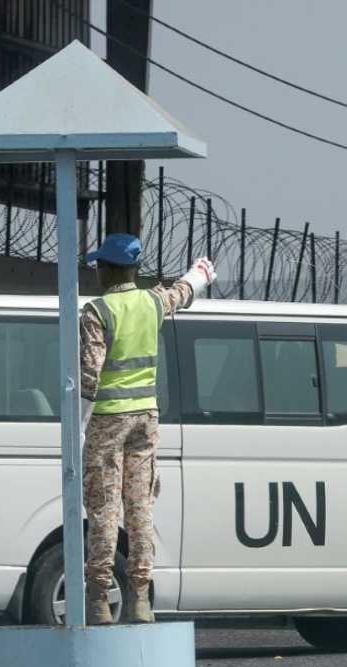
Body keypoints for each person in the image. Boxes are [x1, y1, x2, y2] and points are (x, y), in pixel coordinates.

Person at [79, 233, 215, 625]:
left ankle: (99, 600)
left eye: (99, 266)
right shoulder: (152, 303)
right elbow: (182, 292)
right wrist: (199, 273)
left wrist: (77, 428)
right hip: (145, 419)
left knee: (104, 509)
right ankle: (140, 599)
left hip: (107, 420)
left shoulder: (97, 312)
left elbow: (90, 378)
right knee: (140, 508)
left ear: (107, 269)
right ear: (134, 269)